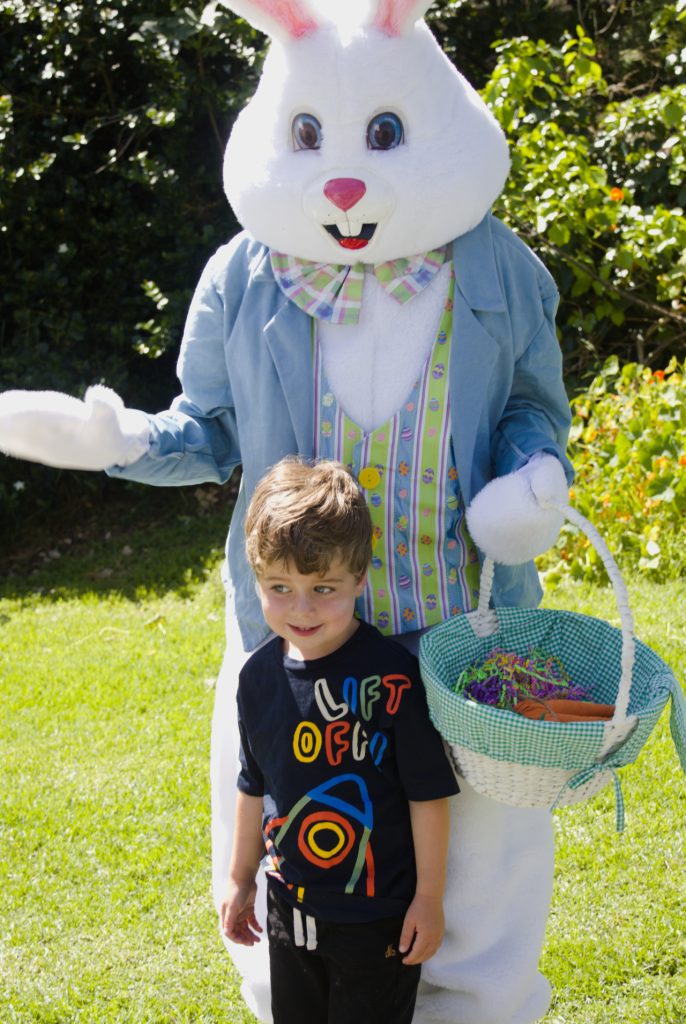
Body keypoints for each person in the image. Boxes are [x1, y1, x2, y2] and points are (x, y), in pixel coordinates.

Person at [220, 457, 459, 1024]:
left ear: (359, 578)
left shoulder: (393, 676)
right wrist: (238, 877)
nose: (301, 608)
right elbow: (253, 784)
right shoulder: (257, 680)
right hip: (288, 908)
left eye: (323, 588)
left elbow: (427, 796)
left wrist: (428, 898)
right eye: (280, 587)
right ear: (257, 579)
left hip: (376, 919)